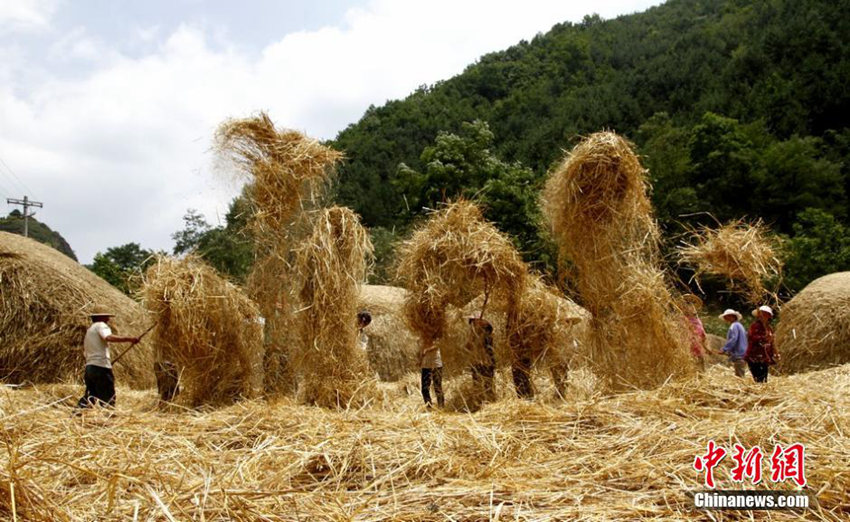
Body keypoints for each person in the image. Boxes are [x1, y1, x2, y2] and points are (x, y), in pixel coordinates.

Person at [76, 309, 140, 409]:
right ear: (100, 317)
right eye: (106, 316)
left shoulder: (90, 330)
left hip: (90, 368)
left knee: (90, 395)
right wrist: (129, 339)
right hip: (100, 367)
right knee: (108, 395)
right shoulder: (101, 325)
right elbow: (108, 337)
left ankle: (77, 414)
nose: (108, 319)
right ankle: (108, 417)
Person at [745, 305, 779, 383]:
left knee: (764, 379)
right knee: (758, 379)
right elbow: (753, 338)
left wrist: (775, 352)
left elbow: (772, 342)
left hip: (764, 358)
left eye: (765, 314)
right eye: (762, 314)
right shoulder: (755, 326)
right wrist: (764, 338)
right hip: (754, 357)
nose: (763, 316)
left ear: (769, 316)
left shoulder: (769, 328)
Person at [468, 317, 496, 400]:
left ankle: (489, 401)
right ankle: (479, 401)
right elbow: (469, 346)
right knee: (477, 385)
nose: (472, 325)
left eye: (474, 322)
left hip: (486, 362)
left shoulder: (487, 334)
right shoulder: (473, 334)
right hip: (476, 362)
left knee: (488, 385)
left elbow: (485, 346)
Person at [717, 309, 748, 377]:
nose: (725, 319)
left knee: (740, 375)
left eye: (726, 317)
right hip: (743, 353)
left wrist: (724, 349)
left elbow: (733, 339)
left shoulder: (734, 326)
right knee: (740, 372)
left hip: (739, 353)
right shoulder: (740, 325)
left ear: (731, 316)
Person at [682, 295, 707, 371]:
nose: (692, 308)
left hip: (698, 348)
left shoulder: (697, 320)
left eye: (692, 306)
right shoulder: (683, 319)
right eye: (688, 305)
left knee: (700, 367)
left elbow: (702, 333)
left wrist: (705, 346)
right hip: (688, 349)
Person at [419, 339, 444, 408]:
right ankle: (429, 407)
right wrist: (420, 360)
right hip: (425, 365)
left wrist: (427, 349)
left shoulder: (437, 334)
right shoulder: (422, 336)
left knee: (437, 387)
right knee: (424, 388)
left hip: (436, 364)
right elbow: (421, 350)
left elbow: (438, 344)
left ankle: (441, 407)